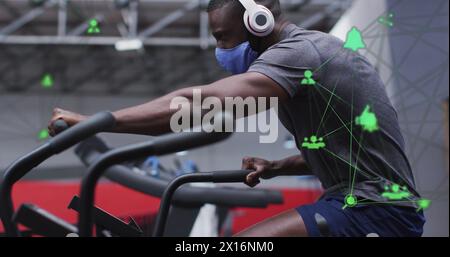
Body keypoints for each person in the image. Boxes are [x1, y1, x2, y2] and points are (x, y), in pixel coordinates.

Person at [48, 0, 425, 237]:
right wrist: (278, 165)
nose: (221, 49)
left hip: (375, 211)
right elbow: (348, 147)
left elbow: (200, 104)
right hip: (359, 202)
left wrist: (95, 120)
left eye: (224, 37)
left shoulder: (299, 54)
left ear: (258, 22)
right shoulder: (304, 61)